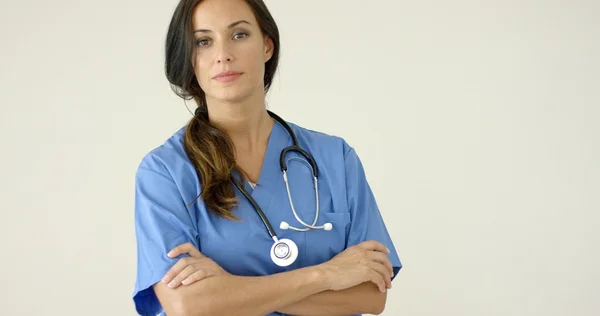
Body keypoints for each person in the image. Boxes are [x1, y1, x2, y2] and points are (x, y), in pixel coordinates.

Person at [132, 0, 402, 315]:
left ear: (267, 46)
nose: (223, 55)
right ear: (189, 59)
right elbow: (188, 304)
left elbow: (370, 296)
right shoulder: (165, 172)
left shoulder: (336, 158)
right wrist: (325, 275)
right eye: (203, 41)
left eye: (239, 35)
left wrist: (228, 290)